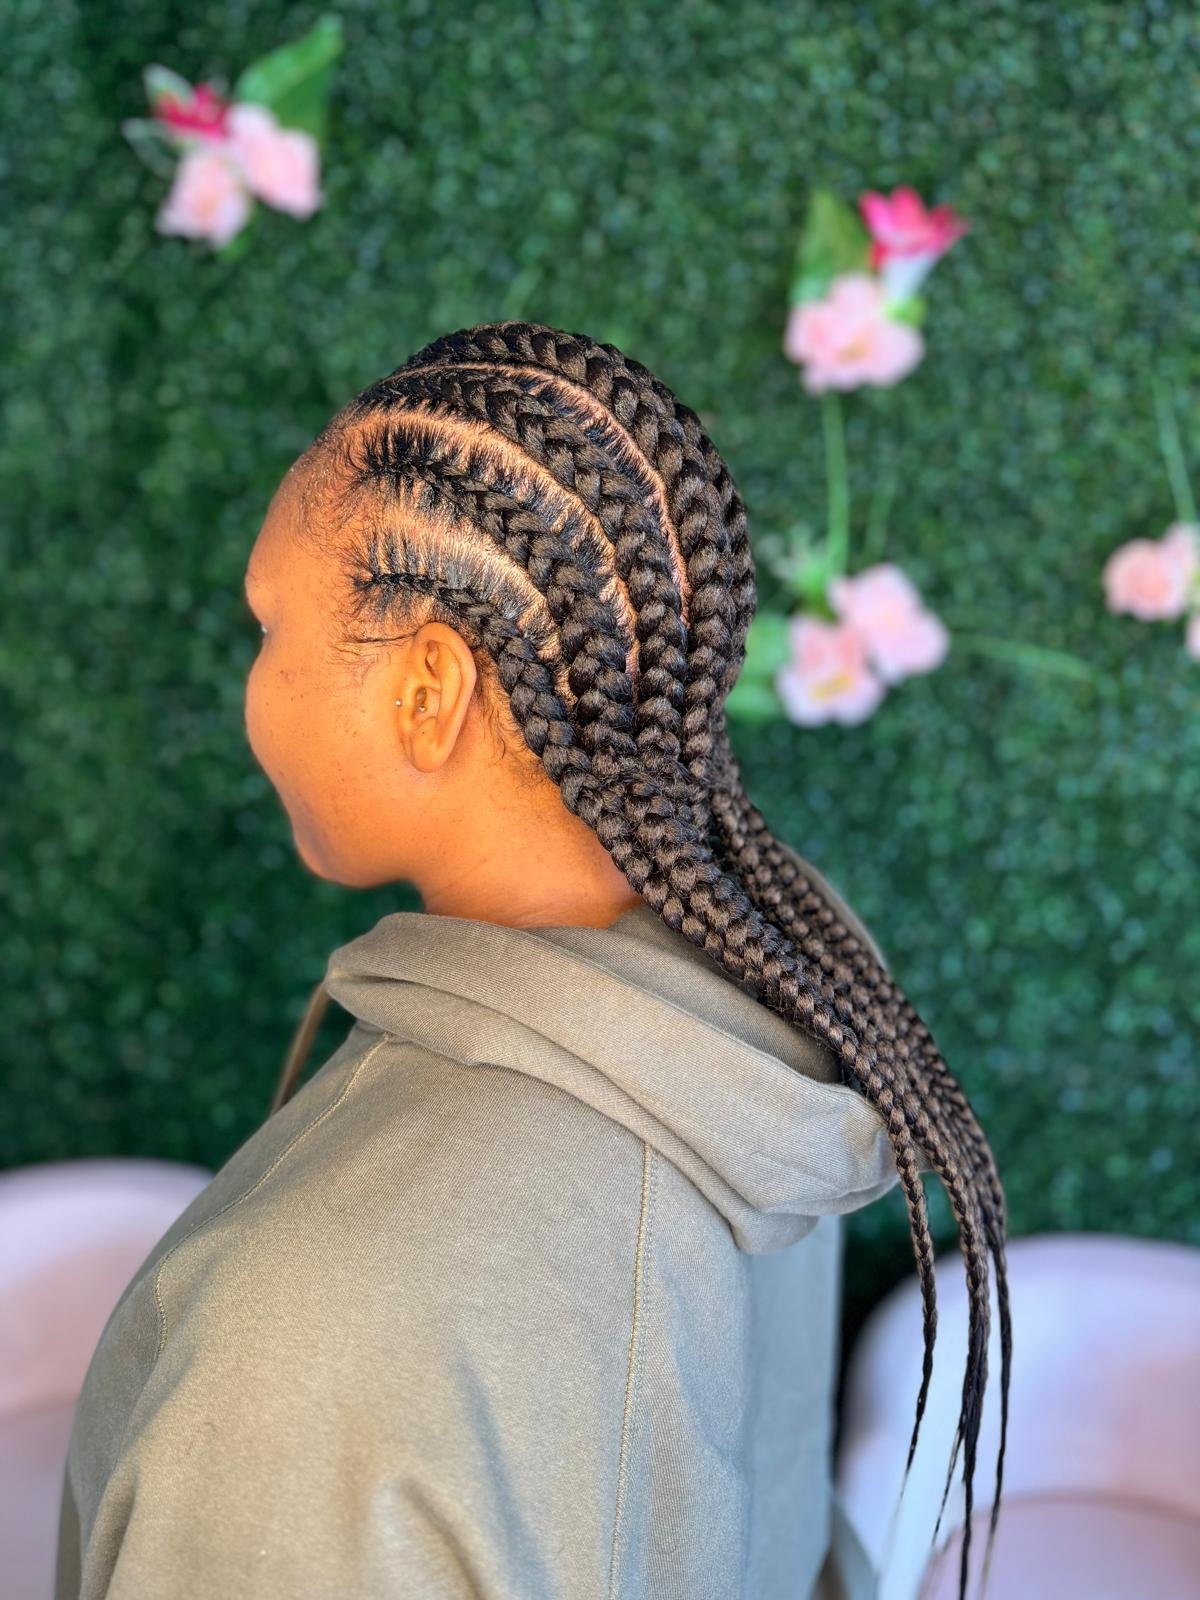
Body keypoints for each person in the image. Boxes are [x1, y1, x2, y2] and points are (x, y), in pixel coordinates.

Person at [54, 319, 1010, 1600]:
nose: (253, 690)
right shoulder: (785, 961)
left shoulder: (307, 1338)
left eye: (266, 629)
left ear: (429, 691)